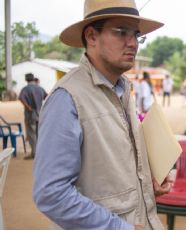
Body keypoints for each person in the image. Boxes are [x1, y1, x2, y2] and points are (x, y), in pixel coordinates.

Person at [32, 0, 172, 229]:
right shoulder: (66, 98)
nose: (132, 43)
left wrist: (147, 179)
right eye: (121, 32)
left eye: (136, 35)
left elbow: (111, 167)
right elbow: (51, 194)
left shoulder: (123, 89)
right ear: (91, 36)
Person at [18, 73, 47, 159]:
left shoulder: (25, 89)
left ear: (26, 79)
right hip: (39, 114)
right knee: (38, 133)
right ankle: (39, 152)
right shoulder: (40, 88)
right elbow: (47, 96)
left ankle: (34, 153)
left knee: (31, 134)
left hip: (30, 114)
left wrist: (28, 107)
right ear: (33, 78)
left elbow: (21, 98)